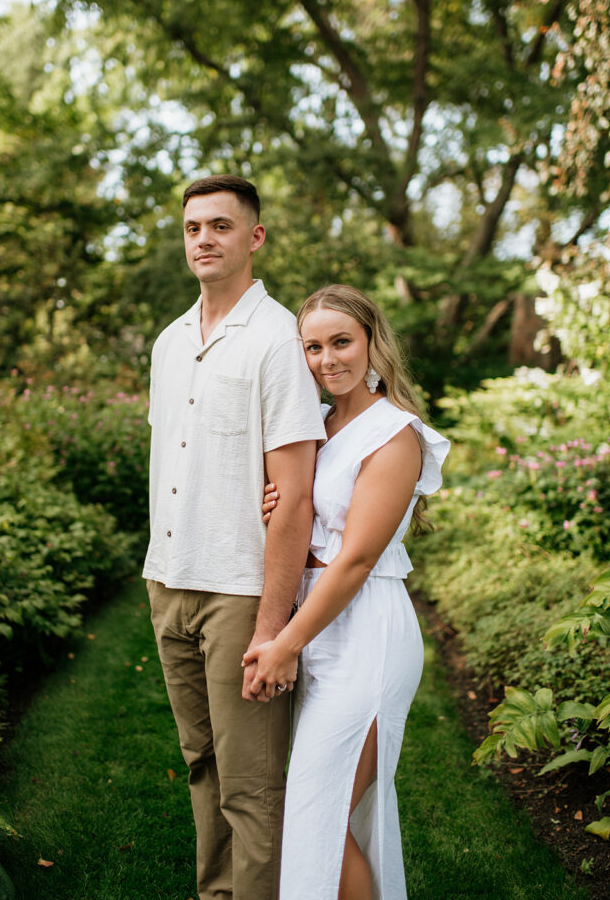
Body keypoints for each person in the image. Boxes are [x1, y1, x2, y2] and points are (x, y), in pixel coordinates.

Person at [142, 174, 326, 900]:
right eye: (193, 228)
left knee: (250, 789)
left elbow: (298, 494)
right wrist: (155, 571)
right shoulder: (169, 342)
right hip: (169, 582)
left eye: (220, 226)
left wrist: (275, 625)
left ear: (254, 238)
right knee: (202, 768)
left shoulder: (279, 339)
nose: (203, 240)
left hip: (240, 593)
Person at [243, 284, 450, 900]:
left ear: (371, 344)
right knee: (331, 818)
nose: (326, 360)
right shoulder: (321, 425)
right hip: (322, 630)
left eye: (341, 342)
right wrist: (275, 507)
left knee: (319, 822)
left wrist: (284, 642)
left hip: (366, 637)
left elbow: (356, 558)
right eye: (312, 347)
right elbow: (309, 520)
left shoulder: (394, 435)